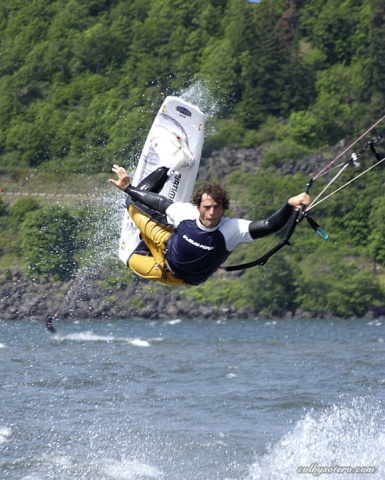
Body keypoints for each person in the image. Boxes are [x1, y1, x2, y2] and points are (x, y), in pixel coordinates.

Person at [109, 164, 310, 286]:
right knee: (131, 202)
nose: (212, 213)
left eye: (217, 208)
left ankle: (144, 240)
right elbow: (159, 203)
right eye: (207, 207)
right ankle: (168, 169)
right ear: (198, 206)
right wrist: (129, 188)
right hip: (167, 240)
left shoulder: (231, 229)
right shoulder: (186, 212)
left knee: (127, 258)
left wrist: (289, 205)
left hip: (168, 271)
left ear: (224, 208)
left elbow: (269, 225)